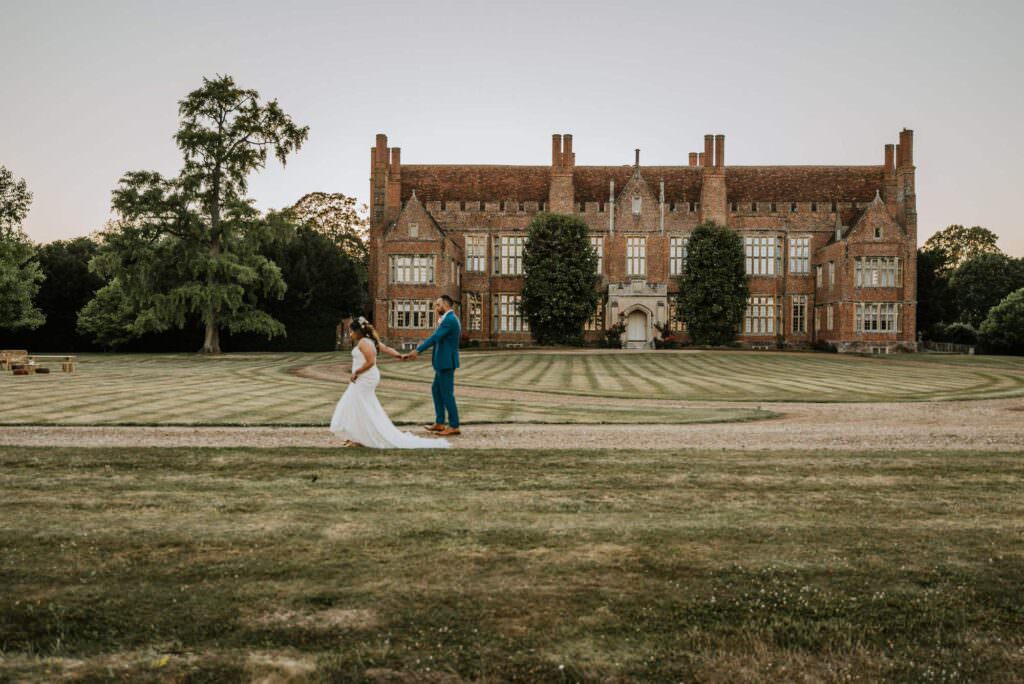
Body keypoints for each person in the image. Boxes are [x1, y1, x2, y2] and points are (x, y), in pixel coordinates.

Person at [329, 317, 450, 449]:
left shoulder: (364, 343)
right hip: (366, 378)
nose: (350, 334)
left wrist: (356, 372)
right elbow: (386, 348)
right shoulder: (371, 341)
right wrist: (399, 355)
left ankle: (360, 438)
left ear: (358, 332)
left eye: (351, 332)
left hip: (365, 377)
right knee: (358, 404)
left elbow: (370, 362)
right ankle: (356, 437)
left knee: (359, 405)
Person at [403, 295, 462, 436]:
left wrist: (417, 350)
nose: (435, 308)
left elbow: (435, 338)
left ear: (446, 305)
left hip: (446, 362)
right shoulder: (447, 319)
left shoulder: (450, 320)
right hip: (442, 362)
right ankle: (440, 422)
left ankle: (454, 425)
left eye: (438, 305)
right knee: (436, 390)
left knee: (447, 394)